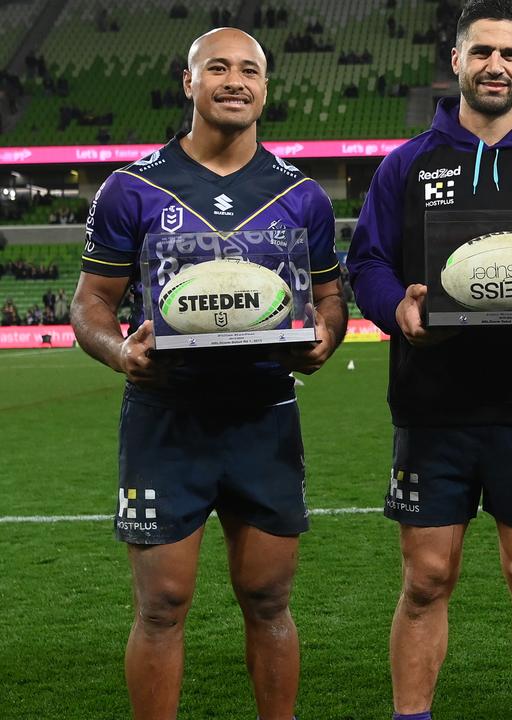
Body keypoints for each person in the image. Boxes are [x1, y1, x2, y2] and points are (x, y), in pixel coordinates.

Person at [344, 1, 512, 718]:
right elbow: (367, 260)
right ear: (458, 61)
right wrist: (395, 311)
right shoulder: (406, 164)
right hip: (433, 405)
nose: (497, 65)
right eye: (483, 52)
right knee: (427, 579)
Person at [69, 27, 346, 720]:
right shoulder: (131, 188)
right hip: (168, 416)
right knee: (161, 606)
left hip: (264, 412)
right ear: (188, 82)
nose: (234, 80)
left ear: (265, 87)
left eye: (249, 69)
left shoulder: (301, 195)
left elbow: (331, 298)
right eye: (216, 67)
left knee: (269, 599)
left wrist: (325, 340)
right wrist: (119, 352)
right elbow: (90, 303)